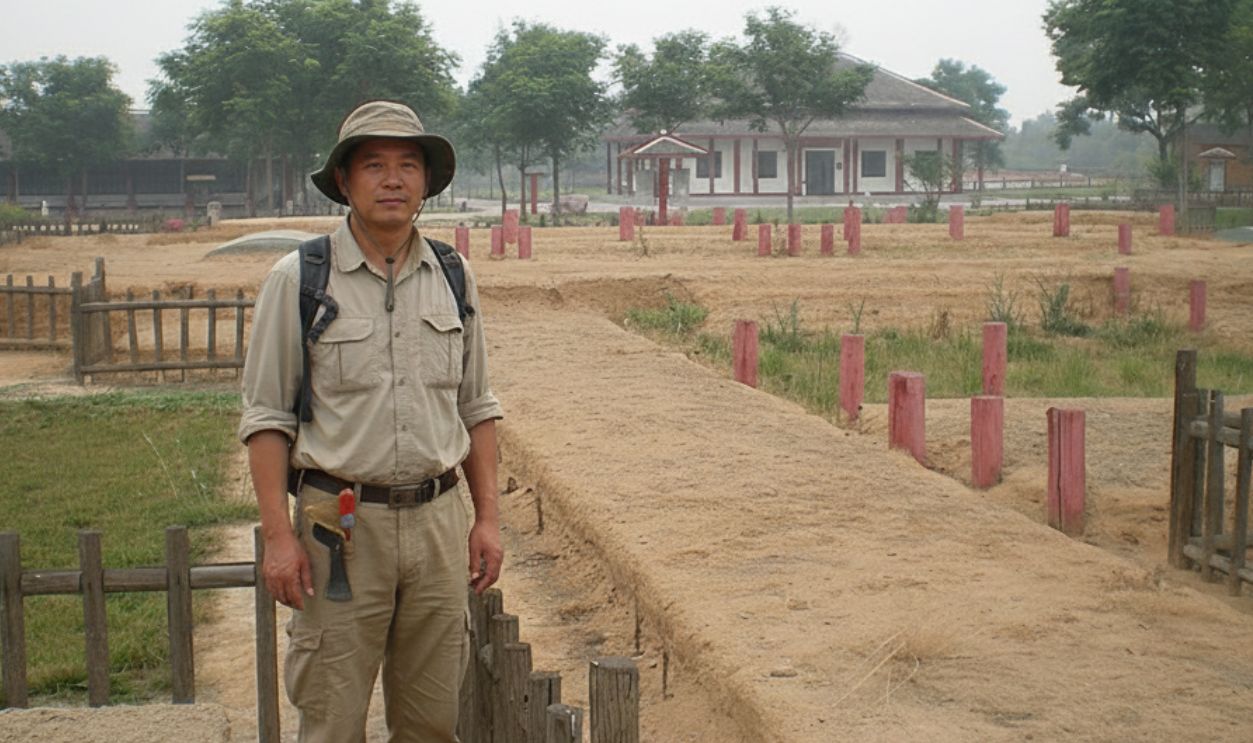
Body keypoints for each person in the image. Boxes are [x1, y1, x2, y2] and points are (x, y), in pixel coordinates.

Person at [238, 99, 503, 742]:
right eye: (374, 165)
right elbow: (268, 418)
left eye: (407, 165)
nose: (392, 179)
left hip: (440, 524)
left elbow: (476, 406)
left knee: (433, 722)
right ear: (345, 182)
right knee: (332, 717)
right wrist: (278, 536)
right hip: (340, 529)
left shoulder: (452, 273)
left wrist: (488, 518)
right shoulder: (299, 279)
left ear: (426, 182)